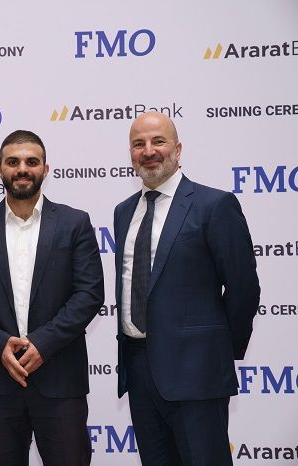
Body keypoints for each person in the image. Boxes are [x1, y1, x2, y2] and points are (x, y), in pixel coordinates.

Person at [0, 130, 104, 466]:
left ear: (46, 169)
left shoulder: (75, 223)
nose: (22, 169)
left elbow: (90, 293)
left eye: (32, 162)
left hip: (60, 379)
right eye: (13, 162)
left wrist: (43, 344)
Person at [114, 111, 260, 465]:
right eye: (138, 144)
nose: (149, 151)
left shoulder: (214, 205)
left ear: (178, 149)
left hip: (198, 372)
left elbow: (243, 287)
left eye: (158, 141)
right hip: (138, 369)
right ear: (131, 154)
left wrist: (217, 350)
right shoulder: (123, 212)